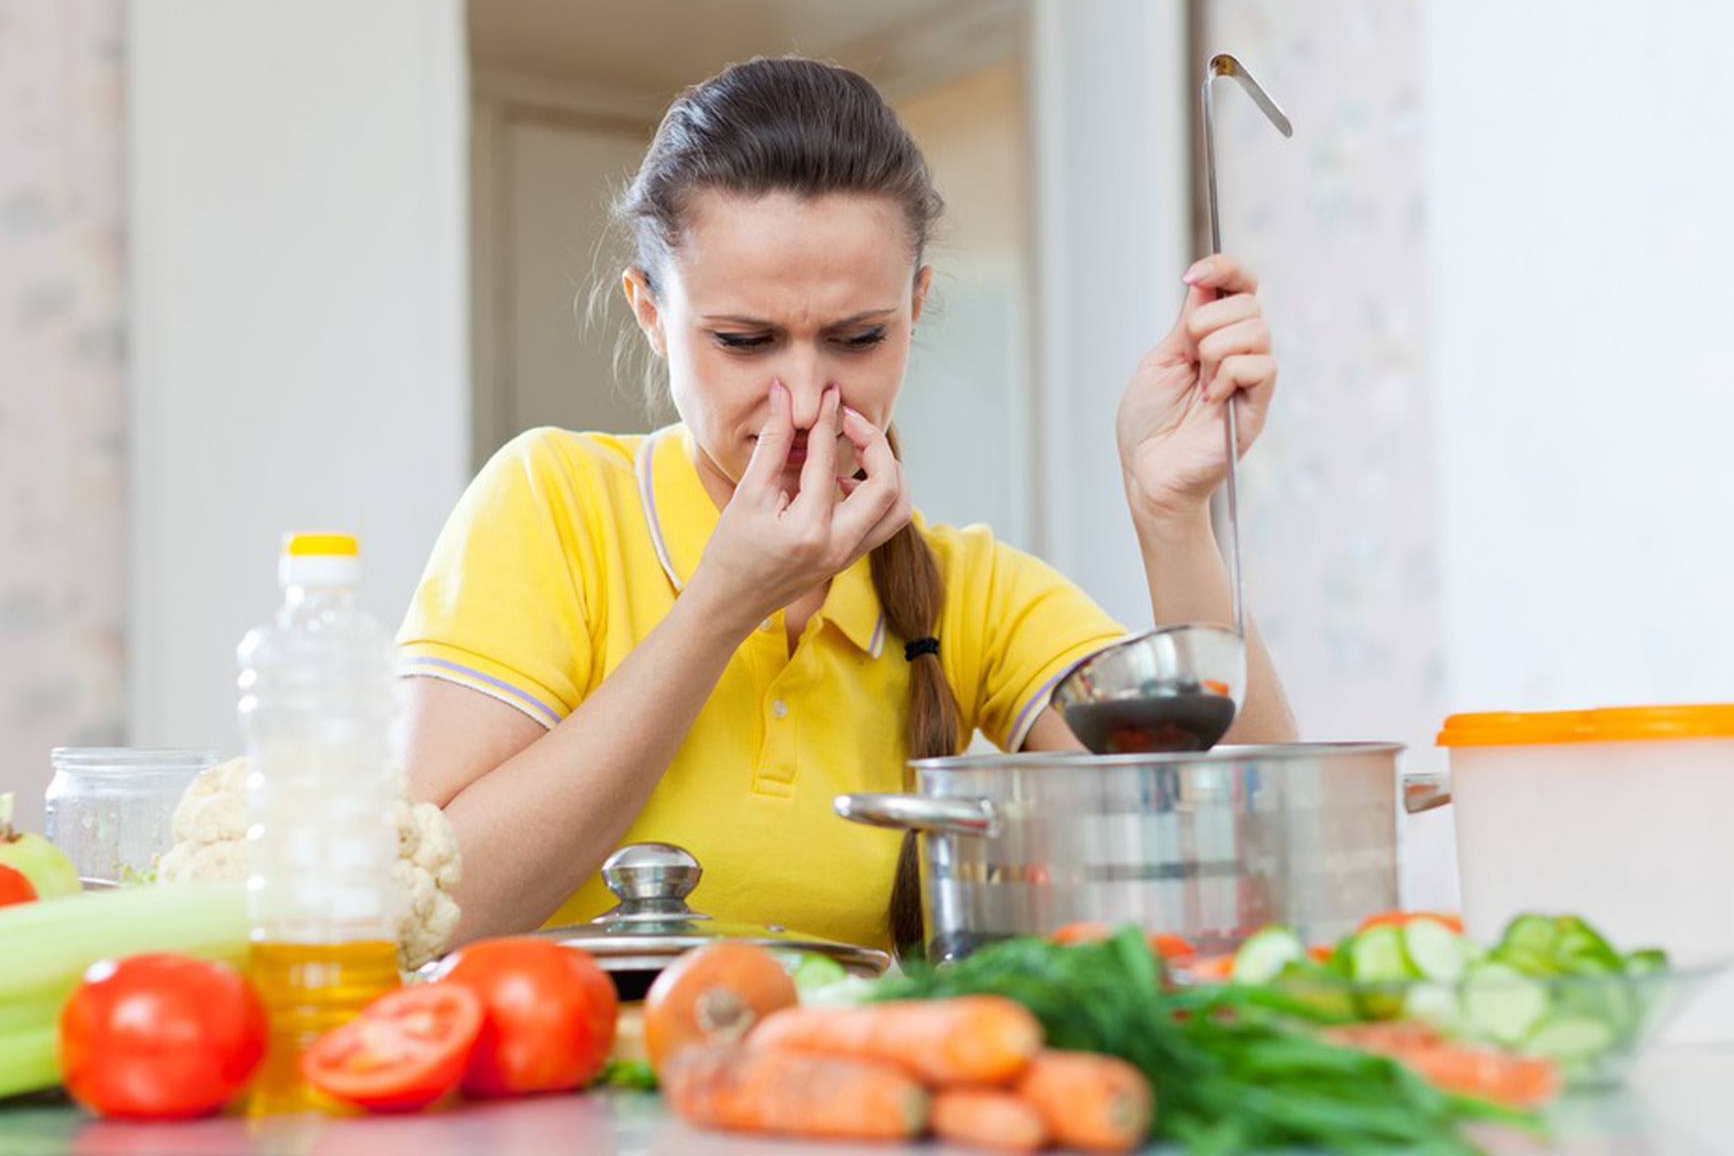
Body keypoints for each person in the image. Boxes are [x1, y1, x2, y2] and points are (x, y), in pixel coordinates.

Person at [398, 57, 1293, 954]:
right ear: (649, 313)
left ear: (917, 306)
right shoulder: (554, 505)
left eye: (858, 337)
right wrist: (723, 604)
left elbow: (1246, 864)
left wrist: (1172, 516)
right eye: (745, 342)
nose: (806, 396)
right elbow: (428, 916)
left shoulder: (962, 589)